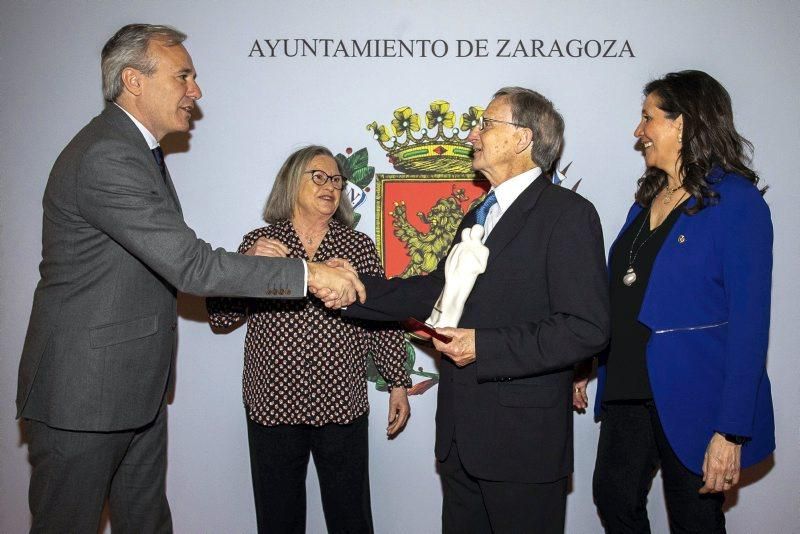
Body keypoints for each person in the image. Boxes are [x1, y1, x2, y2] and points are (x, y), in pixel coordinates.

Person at [16, 24, 363, 534]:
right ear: (134, 80)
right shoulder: (107, 155)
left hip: (133, 389)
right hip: (85, 395)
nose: (195, 91)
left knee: (147, 522)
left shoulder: (136, 153)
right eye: (183, 76)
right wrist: (308, 273)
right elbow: (192, 266)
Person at [333, 87, 610, 533]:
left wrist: (486, 346)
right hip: (461, 439)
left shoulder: (568, 214)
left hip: (522, 448)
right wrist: (352, 288)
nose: (471, 134)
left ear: (523, 138)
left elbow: (586, 328)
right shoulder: (479, 214)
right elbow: (434, 291)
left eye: (485, 124)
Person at [573, 70, 775, 533]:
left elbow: (750, 325)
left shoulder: (737, 202)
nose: (637, 132)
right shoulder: (642, 205)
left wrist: (731, 430)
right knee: (613, 496)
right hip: (627, 384)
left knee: (694, 519)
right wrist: (588, 361)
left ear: (683, 123)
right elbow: (623, 293)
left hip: (693, 392)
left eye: (647, 118)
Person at [207, 145, 411, 533]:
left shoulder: (357, 246)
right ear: (291, 181)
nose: (330, 186)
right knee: (278, 520)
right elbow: (221, 315)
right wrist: (246, 263)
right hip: (273, 403)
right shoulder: (260, 242)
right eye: (319, 176)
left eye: (336, 180)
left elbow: (383, 319)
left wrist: (398, 384)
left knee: (351, 518)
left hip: (341, 404)